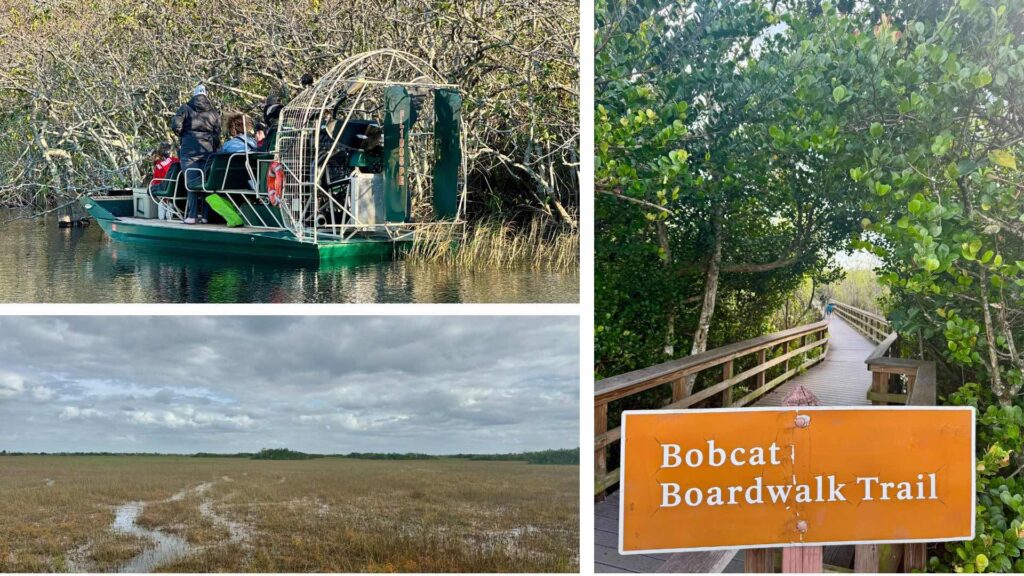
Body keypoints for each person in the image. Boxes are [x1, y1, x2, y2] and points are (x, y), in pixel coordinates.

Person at [172, 84, 221, 224]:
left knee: (191, 182)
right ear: (205, 95)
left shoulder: (185, 108)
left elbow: (176, 125)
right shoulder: (214, 112)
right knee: (205, 183)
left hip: (189, 151)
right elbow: (217, 133)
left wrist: (183, 135)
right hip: (207, 151)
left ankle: (192, 216)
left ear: (194, 95)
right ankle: (205, 216)